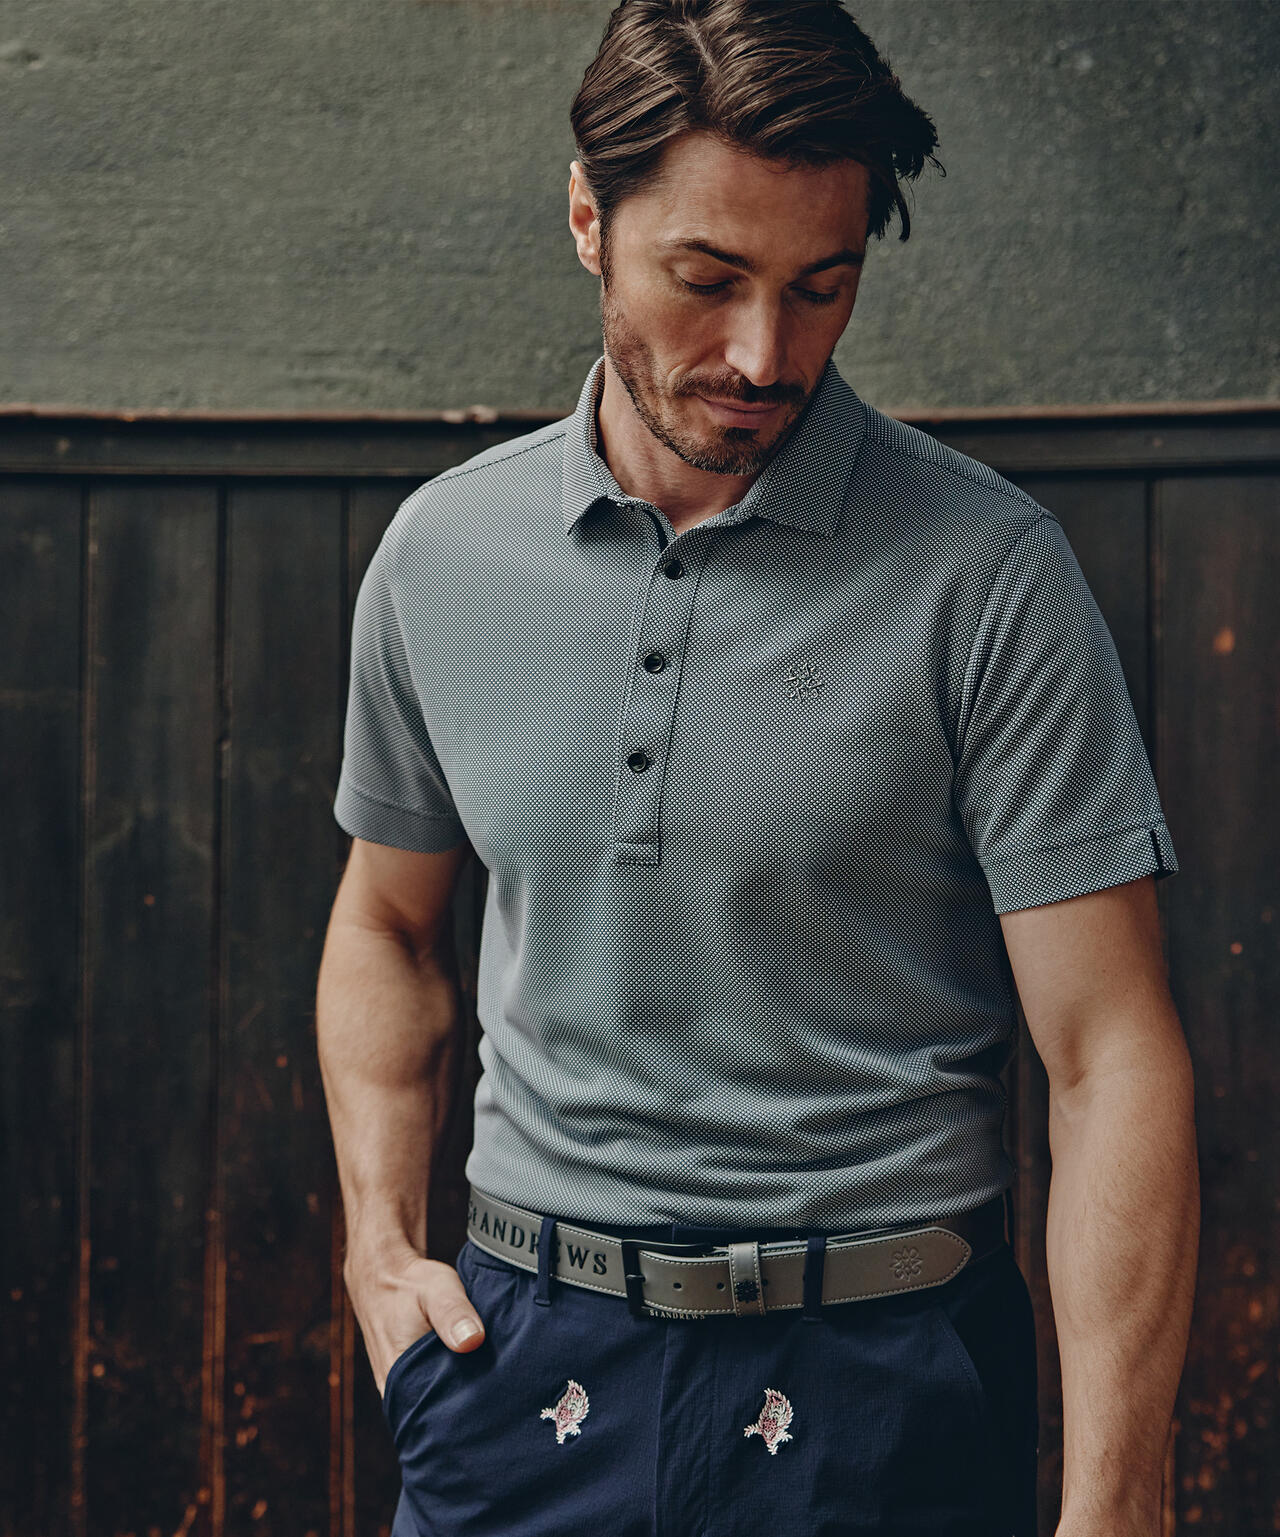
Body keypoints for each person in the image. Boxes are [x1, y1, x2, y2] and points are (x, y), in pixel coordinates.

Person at [315, 3, 1200, 1534]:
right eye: (707, 279)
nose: (761, 353)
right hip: (520, 1372)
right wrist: (379, 1247)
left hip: (880, 1381)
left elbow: (1110, 1052)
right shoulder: (438, 557)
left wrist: (1118, 1501)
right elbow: (385, 926)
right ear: (589, 222)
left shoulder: (991, 576)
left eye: (821, 287)